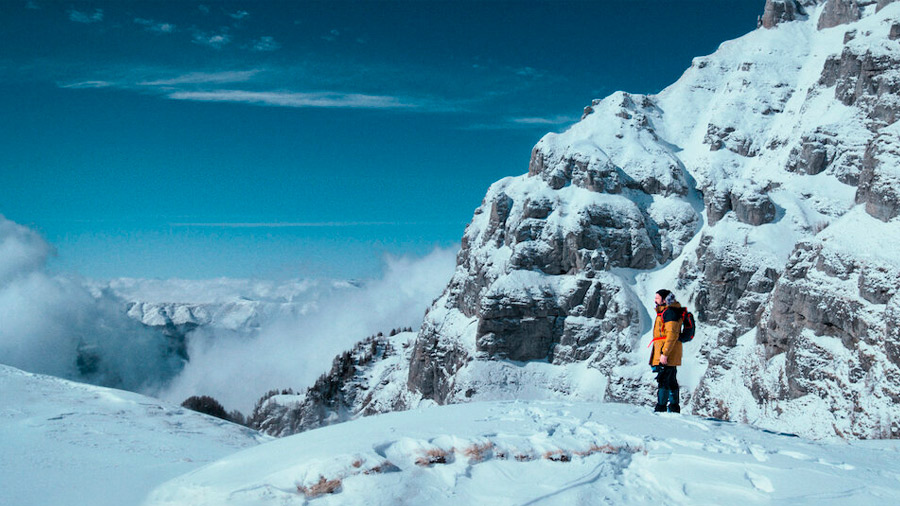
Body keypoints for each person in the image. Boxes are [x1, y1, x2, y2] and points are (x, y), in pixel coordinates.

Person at [649, 289, 683, 413]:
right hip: (668, 351)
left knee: (663, 379)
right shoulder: (667, 312)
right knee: (671, 379)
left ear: (664, 300)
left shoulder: (669, 313)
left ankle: (661, 407)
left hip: (668, 352)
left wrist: (665, 353)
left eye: (657, 298)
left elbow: (672, 334)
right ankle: (673, 407)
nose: (655, 300)